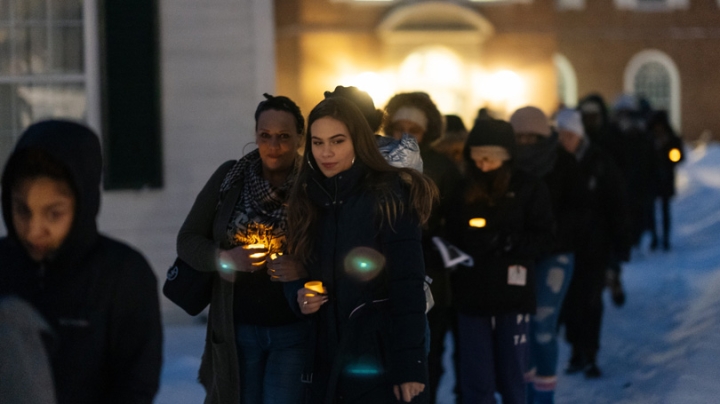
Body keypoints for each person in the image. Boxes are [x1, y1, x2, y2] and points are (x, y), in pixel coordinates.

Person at [286, 96, 438, 403]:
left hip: (380, 355)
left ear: (359, 141)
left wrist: (409, 366)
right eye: (317, 142)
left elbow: (408, 284)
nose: (326, 152)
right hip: (328, 355)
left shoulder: (388, 194)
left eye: (337, 141)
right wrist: (301, 297)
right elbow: (306, 271)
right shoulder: (310, 198)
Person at [0, 120, 162, 404]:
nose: (34, 229)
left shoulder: (123, 276)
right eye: (22, 210)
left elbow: (135, 386)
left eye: (53, 213)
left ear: (83, 204)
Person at [176, 94, 309, 404]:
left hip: (291, 328)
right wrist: (225, 258)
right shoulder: (231, 178)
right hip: (237, 329)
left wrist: (302, 266)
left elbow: (335, 247)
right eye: (265, 135)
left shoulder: (311, 186)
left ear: (300, 138)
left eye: (284, 136)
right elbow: (188, 240)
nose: (273, 145)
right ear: (255, 135)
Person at [445, 118, 555, 404]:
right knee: (476, 377)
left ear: (505, 157)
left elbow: (543, 235)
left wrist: (508, 242)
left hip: (512, 295)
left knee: (512, 376)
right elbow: (450, 232)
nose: (482, 165)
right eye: (477, 158)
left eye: (490, 159)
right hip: (472, 295)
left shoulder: (528, 187)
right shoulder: (463, 189)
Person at [383, 92, 462, 404]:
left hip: (431, 274)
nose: (404, 134)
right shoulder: (378, 159)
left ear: (425, 132)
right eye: (397, 126)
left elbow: (457, 219)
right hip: (385, 271)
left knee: (428, 352)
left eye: (412, 129)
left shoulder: (442, 166)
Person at [510, 106, 582, 404]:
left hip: (555, 253)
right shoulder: (507, 164)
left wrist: (549, 237)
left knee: (542, 324)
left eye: (532, 136)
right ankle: (526, 394)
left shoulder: (562, 162)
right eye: (520, 137)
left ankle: (543, 397)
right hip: (519, 254)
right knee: (520, 328)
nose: (526, 142)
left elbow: (578, 210)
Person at [556, 108, 631, 378]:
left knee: (590, 300)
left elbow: (616, 202)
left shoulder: (599, 161)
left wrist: (619, 242)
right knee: (569, 302)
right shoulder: (557, 163)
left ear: (578, 135)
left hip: (595, 245)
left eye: (569, 135)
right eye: (561, 135)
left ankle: (589, 353)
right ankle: (576, 350)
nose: (565, 140)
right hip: (565, 244)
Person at [647, 110, 684, 251]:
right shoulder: (649, 139)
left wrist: (672, 156)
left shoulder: (671, 139)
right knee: (651, 211)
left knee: (664, 210)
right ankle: (654, 238)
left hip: (665, 178)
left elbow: (678, 156)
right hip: (652, 179)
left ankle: (665, 239)